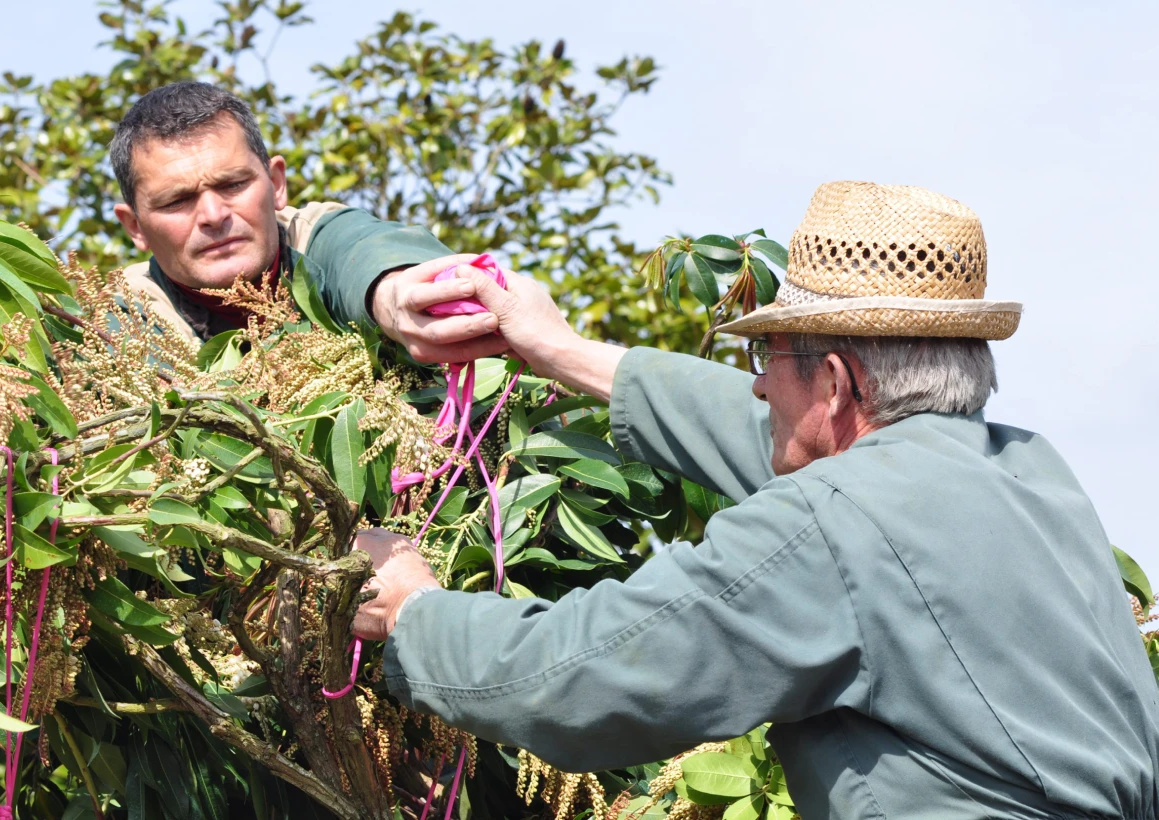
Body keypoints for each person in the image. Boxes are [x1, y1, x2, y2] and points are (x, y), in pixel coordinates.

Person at [352, 182, 1159, 819]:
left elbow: (581, 678)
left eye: (765, 357)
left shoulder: (834, 523)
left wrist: (412, 611)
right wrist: (556, 348)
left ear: (833, 382)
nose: (756, 384)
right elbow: (769, 438)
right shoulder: (1028, 473)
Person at [109, 81, 504, 362]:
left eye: (233, 185)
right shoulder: (114, 320)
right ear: (135, 227)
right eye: (176, 201)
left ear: (276, 184)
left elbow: (363, 251)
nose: (213, 216)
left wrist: (399, 298)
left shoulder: (315, 233)